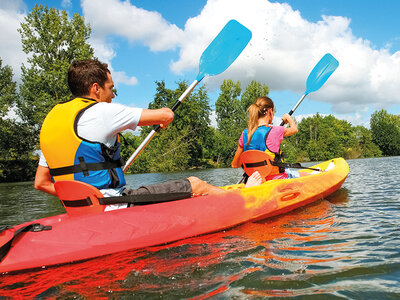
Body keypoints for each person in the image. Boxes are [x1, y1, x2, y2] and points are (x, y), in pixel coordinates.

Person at [35, 59, 261, 210]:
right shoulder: (101, 111)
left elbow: (41, 183)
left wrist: (85, 197)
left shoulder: (51, 122)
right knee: (195, 184)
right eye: (111, 88)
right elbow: (165, 115)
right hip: (113, 206)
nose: (112, 94)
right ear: (96, 88)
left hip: (81, 210)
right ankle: (244, 198)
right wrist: (164, 118)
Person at [231, 96, 299, 181]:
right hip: (276, 180)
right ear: (270, 111)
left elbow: (235, 165)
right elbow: (294, 129)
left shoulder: (245, 134)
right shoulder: (276, 131)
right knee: (305, 174)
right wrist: (288, 117)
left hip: (255, 181)